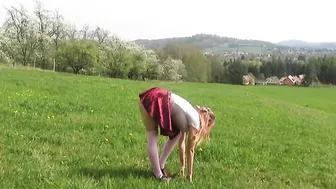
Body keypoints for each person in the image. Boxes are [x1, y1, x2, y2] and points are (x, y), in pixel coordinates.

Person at [138, 87, 216, 182]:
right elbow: (190, 150)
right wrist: (189, 175)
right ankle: (158, 175)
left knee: (170, 135)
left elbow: (181, 142)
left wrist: (183, 166)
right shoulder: (195, 123)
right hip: (158, 99)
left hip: (150, 96)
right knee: (153, 139)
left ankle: (160, 166)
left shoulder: (190, 115)